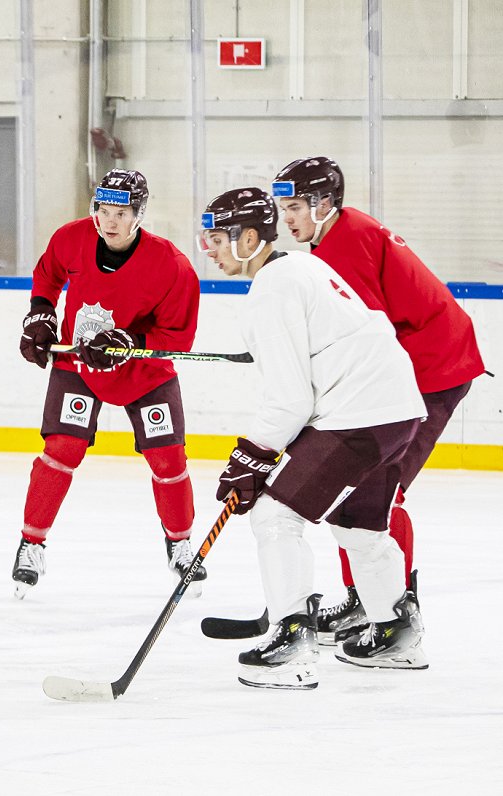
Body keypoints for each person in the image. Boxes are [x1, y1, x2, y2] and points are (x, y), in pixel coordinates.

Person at [200, 187, 427, 689]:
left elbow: (289, 400)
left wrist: (250, 457)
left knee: (275, 516)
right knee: (359, 523)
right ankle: (395, 632)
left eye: (216, 238)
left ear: (250, 238)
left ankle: (293, 641)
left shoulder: (271, 289)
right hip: (399, 410)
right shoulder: (306, 268)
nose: (208, 249)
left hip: (358, 413)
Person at [271, 156, 486, 644]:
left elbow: (367, 334)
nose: (288, 218)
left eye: (296, 206)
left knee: (382, 491)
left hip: (433, 368)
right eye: (284, 207)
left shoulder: (346, 244)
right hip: (418, 363)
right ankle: (365, 601)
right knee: (358, 485)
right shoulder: (336, 236)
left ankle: (397, 610)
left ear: (325, 204)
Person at [14, 169, 202, 599]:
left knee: (168, 458)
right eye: (102, 210)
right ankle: (31, 543)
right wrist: (41, 315)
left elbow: (177, 338)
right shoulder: (71, 238)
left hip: (143, 373)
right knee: (62, 450)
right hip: (79, 364)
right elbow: (47, 277)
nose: (109, 221)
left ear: (138, 215)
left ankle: (180, 543)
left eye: (121, 212)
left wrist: (130, 342)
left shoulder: (172, 266)